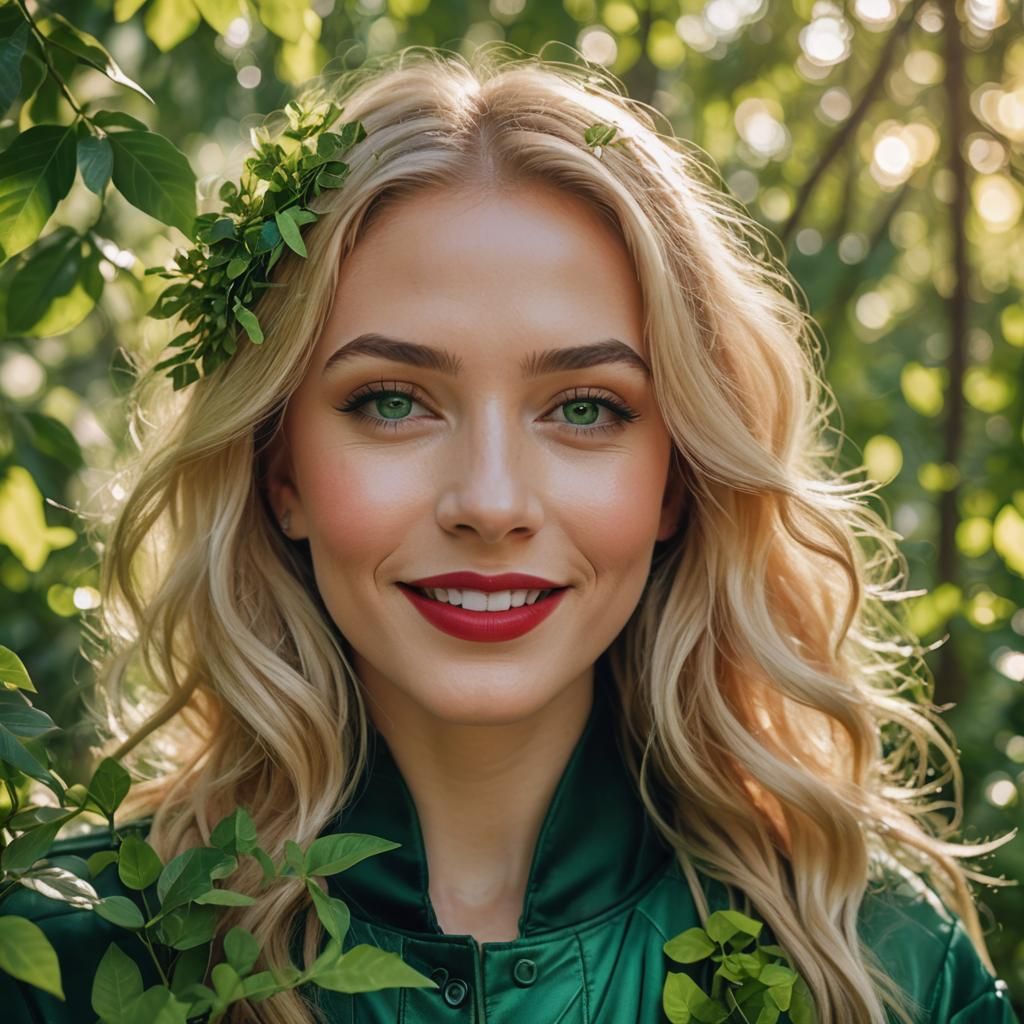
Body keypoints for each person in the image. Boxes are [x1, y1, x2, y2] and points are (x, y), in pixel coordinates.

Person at [3, 46, 1019, 1024]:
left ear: (676, 479)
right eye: (393, 401)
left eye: (584, 408)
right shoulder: (65, 965)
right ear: (281, 471)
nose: (490, 503)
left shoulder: (876, 962)